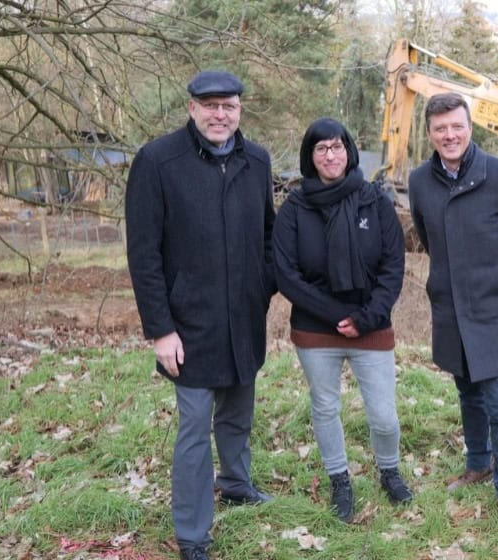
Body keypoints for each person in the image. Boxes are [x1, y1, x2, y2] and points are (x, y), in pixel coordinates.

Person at [126, 70, 276, 560]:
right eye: (209, 105)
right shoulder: (157, 161)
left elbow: (268, 238)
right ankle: (192, 535)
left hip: (244, 320)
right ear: (191, 108)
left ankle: (235, 483)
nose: (219, 114)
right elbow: (143, 254)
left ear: (240, 110)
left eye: (228, 105)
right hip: (187, 326)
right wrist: (160, 329)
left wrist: (263, 291)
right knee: (195, 428)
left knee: (237, 413)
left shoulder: (256, 161)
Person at [273, 118, 412, 523]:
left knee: (384, 415)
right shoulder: (295, 209)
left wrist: (366, 317)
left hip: (372, 323)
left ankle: (389, 470)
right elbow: (287, 275)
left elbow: (393, 266)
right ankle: (340, 479)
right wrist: (338, 316)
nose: (330, 155)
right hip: (317, 328)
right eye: (321, 149)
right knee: (325, 407)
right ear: (310, 156)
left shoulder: (375, 201)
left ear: (349, 151)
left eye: (337, 147)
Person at [408, 93, 498, 527]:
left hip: (494, 308)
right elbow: (427, 236)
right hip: (449, 308)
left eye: (457, 126)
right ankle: (478, 463)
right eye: (440, 129)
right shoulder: (419, 180)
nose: (450, 135)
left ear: (470, 127)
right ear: (430, 133)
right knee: (467, 393)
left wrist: (495, 276)